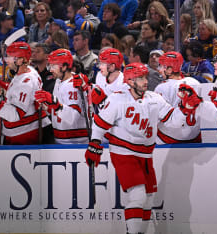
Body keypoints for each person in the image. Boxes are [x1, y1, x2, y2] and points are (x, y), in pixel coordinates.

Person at [84, 62, 202, 234]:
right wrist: (94, 144)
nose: (145, 81)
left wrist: (186, 107)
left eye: (145, 77)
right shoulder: (117, 99)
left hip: (146, 155)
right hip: (123, 152)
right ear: (130, 81)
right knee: (138, 195)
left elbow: (172, 120)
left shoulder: (154, 98)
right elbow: (100, 124)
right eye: (140, 78)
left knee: (148, 199)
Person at [0, 42, 52, 145]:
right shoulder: (29, 70)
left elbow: (15, 115)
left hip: (25, 133)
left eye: (11, 57)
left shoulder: (26, 82)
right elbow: (28, 94)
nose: (6, 60)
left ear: (21, 60)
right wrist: (9, 89)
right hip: (24, 130)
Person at [34, 49, 89, 144]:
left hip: (75, 142)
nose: (50, 70)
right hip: (61, 139)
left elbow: (72, 118)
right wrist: (47, 107)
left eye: (53, 66)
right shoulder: (59, 81)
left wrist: (55, 103)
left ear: (64, 67)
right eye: (49, 66)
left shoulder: (74, 84)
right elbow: (58, 110)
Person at [155, 51, 203, 144]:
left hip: (168, 138)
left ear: (169, 70)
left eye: (162, 66)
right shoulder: (195, 83)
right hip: (194, 137)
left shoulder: (162, 87)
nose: (160, 70)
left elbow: (159, 116)